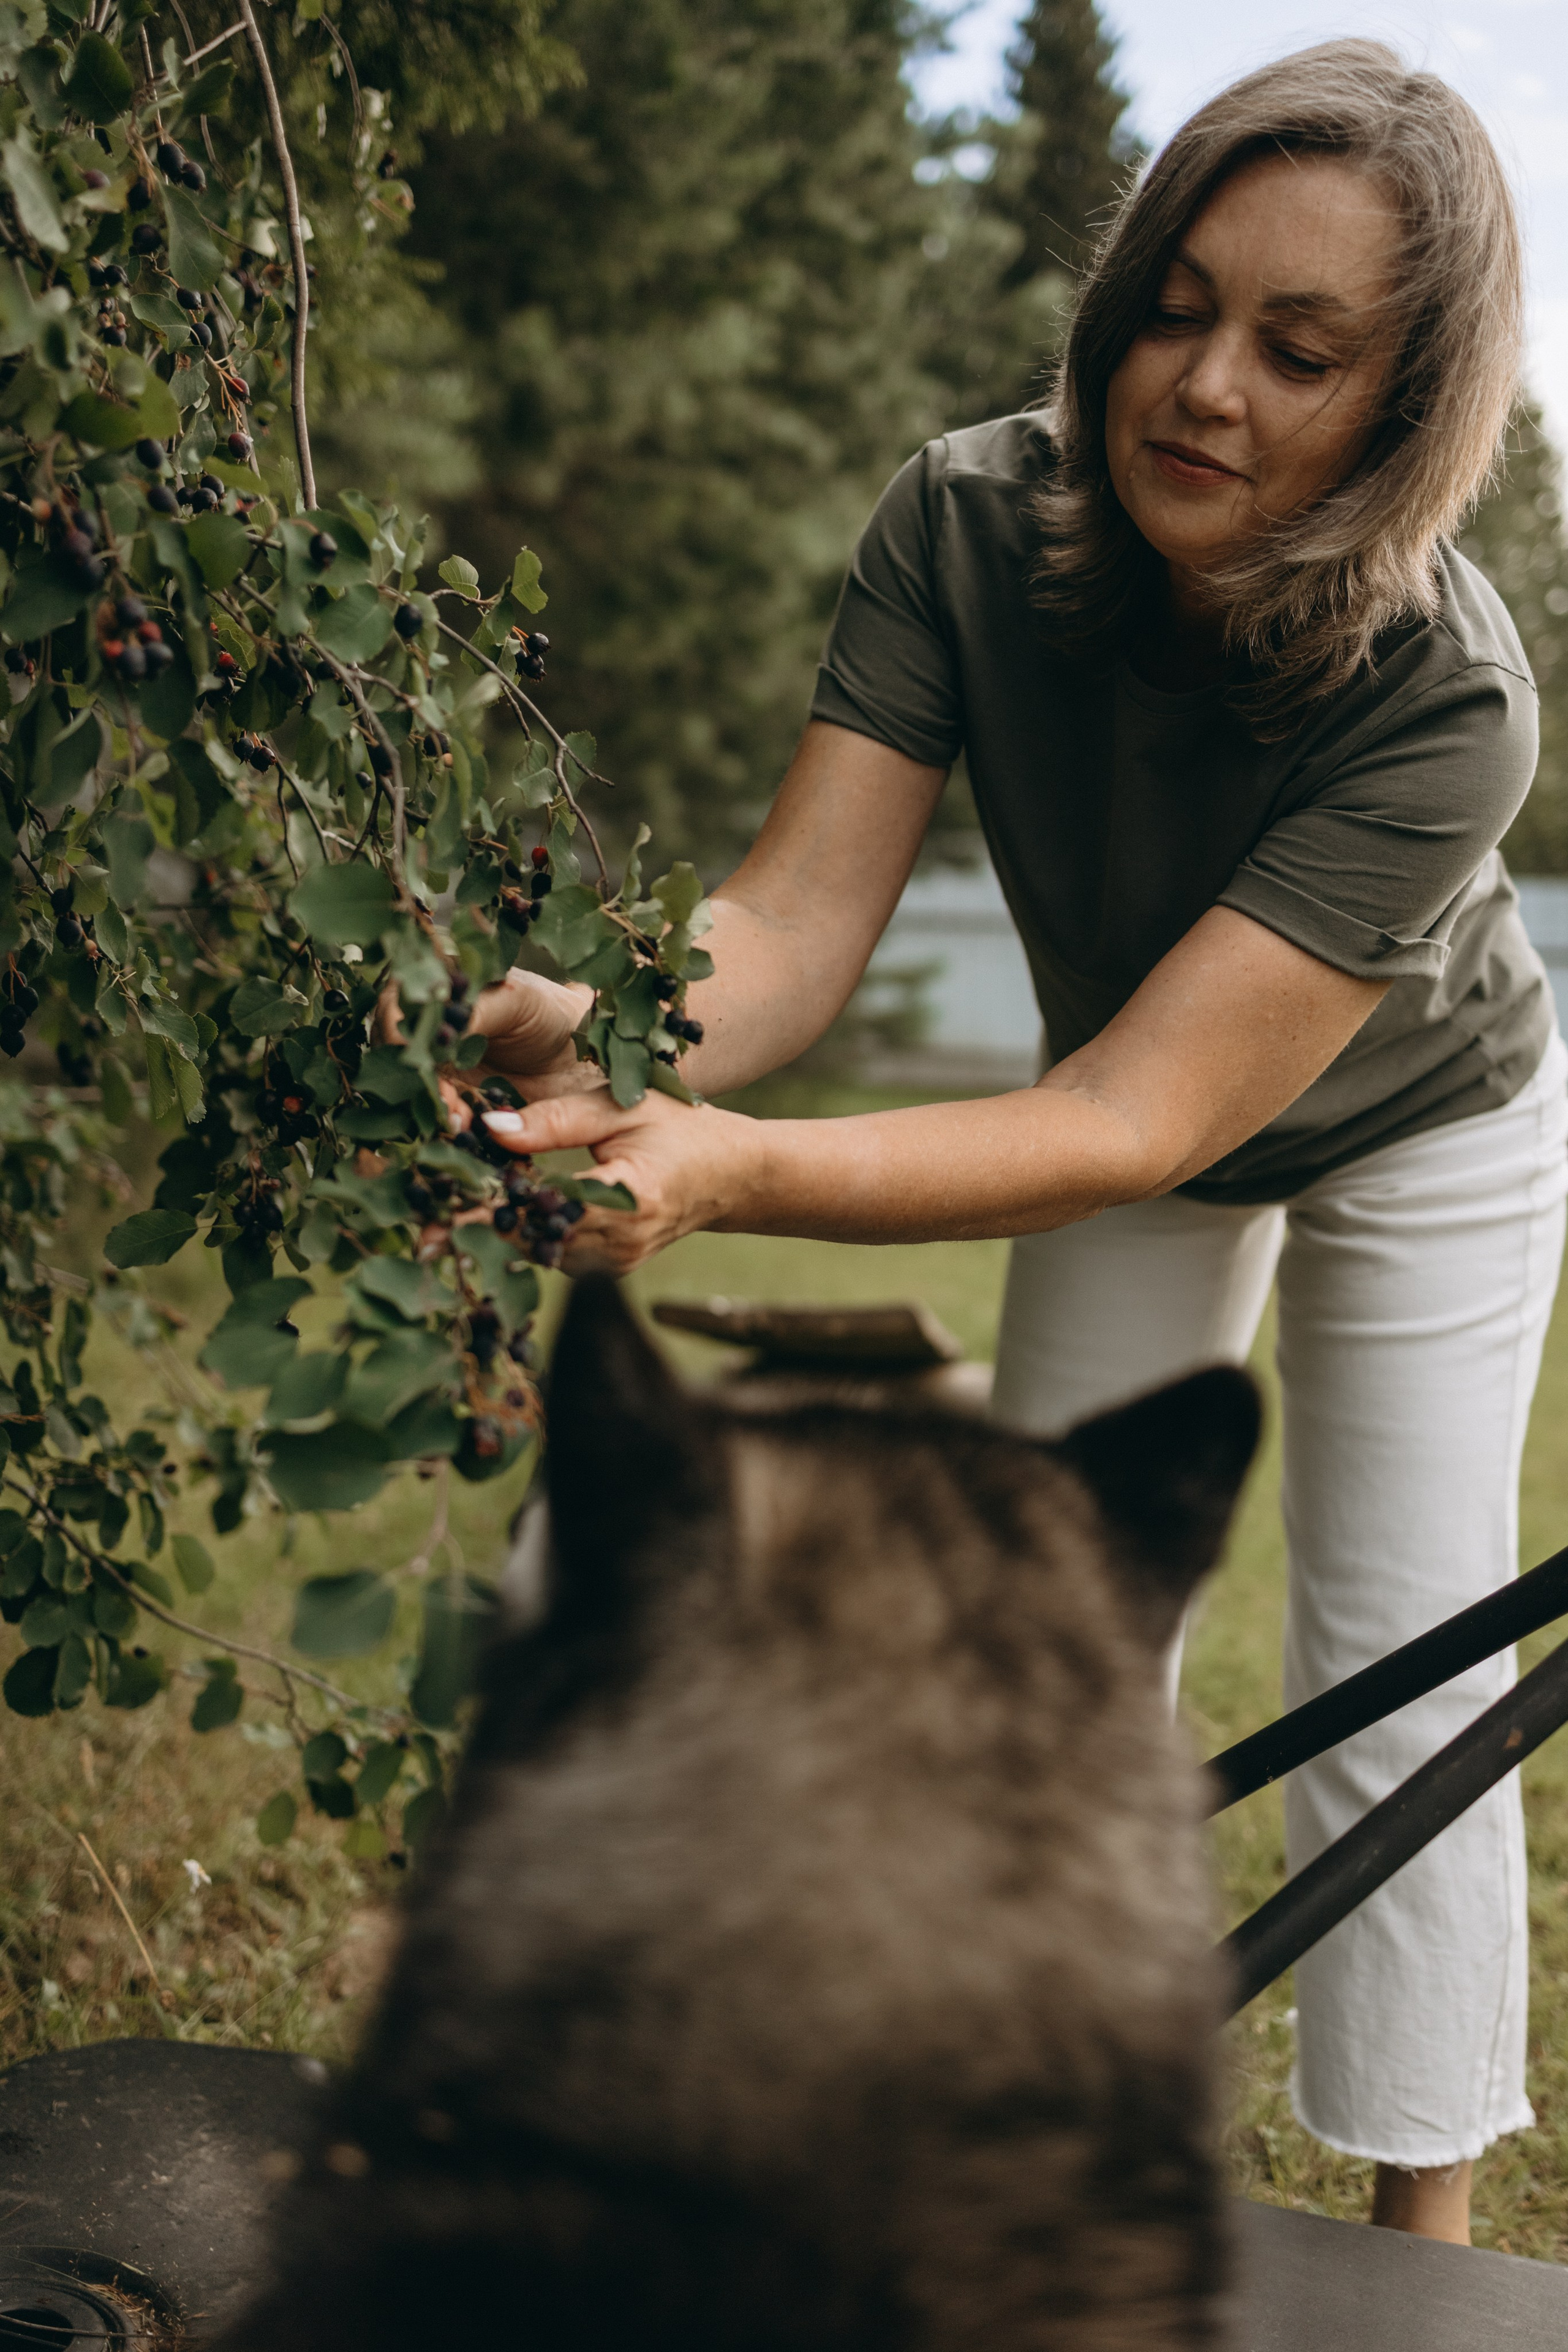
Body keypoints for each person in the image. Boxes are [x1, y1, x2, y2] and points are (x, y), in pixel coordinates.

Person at [461, 42, 1564, 2244]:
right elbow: (782, 924)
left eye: (1300, 348)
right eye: (1179, 299)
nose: (1206, 381)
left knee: (1386, 1648)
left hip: (1423, 1130)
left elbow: (1128, 1114)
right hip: (1135, 1114)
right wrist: (602, 1022)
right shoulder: (967, 516)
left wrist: (733, 1174)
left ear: (1403, 405)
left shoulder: (1452, 700)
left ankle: (1420, 2250)